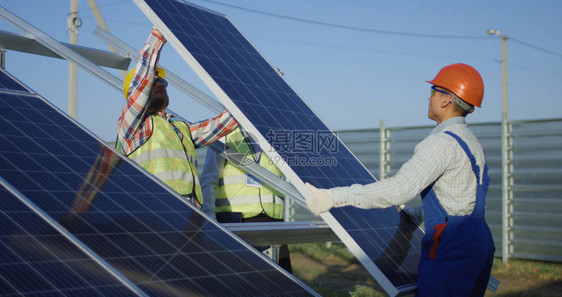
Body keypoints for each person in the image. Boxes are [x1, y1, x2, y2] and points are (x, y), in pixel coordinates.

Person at [305, 63, 495, 297]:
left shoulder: (441, 143)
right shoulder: (471, 142)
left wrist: (333, 196)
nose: (429, 98)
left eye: (433, 91)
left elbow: (400, 188)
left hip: (450, 244)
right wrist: (416, 214)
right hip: (479, 242)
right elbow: (460, 199)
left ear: (446, 100)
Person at [117, 27, 238, 207]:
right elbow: (142, 82)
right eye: (153, 81)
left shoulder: (180, 127)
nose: (158, 83)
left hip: (189, 214)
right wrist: (157, 37)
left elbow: (220, 125)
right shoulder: (134, 126)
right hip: (153, 211)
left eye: (162, 82)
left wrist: (253, 100)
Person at [200, 127, 292, 273]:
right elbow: (209, 179)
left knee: (282, 281)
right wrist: (210, 220)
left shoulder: (274, 137)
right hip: (236, 221)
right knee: (240, 281)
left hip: (272, 221)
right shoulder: (224, 134)